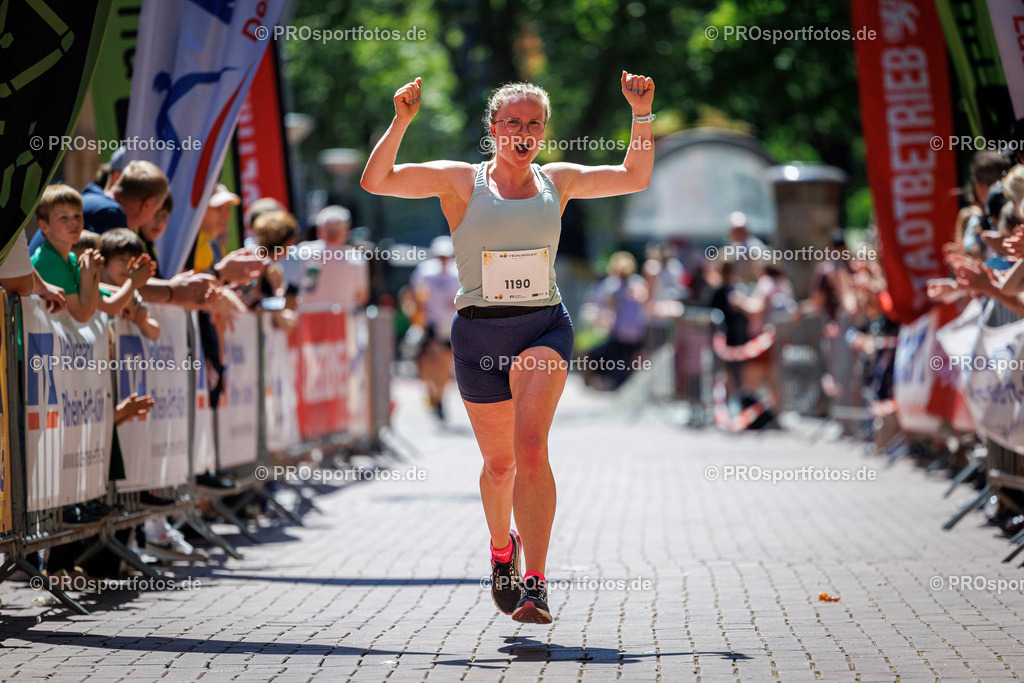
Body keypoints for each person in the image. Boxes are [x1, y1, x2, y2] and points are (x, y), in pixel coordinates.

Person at [361, 71, 655, 623]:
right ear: (493, 128)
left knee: (530, 448)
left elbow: (634, 176)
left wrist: (640, 115)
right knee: (499, 467)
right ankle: (503, 551)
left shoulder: (557, 180)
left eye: (534, 124)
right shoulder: (460, 181)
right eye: (513, 122)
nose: (523, 132)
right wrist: (402, 120)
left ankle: (537, 583)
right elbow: (377, 180)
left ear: (544, 132)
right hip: (478, 333)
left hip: (542, 327)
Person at [30, 185, 104, 323]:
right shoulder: (49, 261)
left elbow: (93, 302)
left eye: (78, 216)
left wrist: (95, 271)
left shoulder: (70, 258)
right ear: (44, 226)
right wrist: (89, 274)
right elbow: (82, 314)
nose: (74, 222)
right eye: (64, 217)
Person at [409, 235, 461, 419]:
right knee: (428, 362)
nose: (443, 260)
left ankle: (439, 397)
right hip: (430, 325)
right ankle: (433, 394)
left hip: (451, 326)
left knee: (444, 364)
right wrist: (419, 320)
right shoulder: (425, 272)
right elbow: (415, 298)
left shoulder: (458, 273)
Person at [583, 251, 650, 389]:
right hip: (624, 333)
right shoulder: (614, 285)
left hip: (630, 333)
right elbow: (597, 304)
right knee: (620, 366)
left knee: (626, 367)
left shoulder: (634, 284)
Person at [302, 205, 370, 309]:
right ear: (346, 231)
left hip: (308, 321)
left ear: (320, 230)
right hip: (342, 322)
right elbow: (361, 298)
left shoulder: (302, 252)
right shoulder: (357, 259)